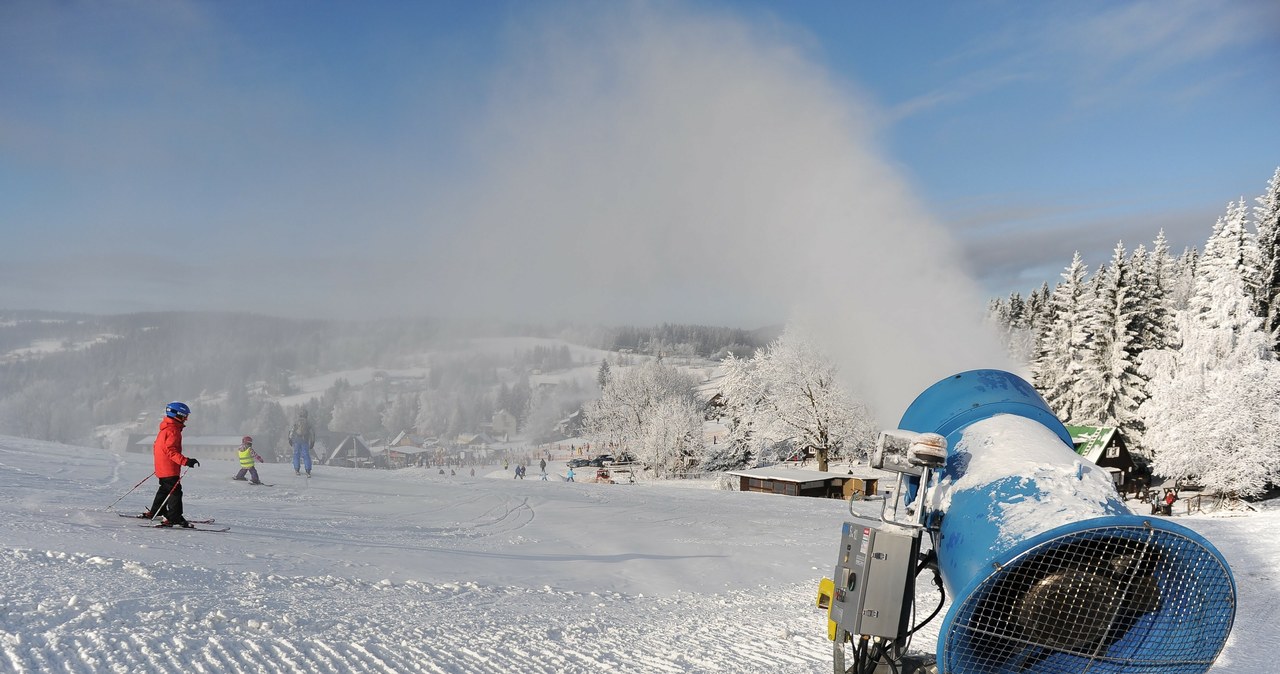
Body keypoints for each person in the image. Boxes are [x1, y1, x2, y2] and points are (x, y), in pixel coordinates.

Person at [144, 402, 198, 527]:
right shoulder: (173, 430)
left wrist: (162, 464)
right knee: (176, 492)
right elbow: (170, 450)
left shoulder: (165, 429)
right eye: (184, 416)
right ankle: (175, 518)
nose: (186, 419)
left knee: (164, 489)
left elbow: (158, 447)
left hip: (163, 467)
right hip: (169, 468)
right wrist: (186, 461)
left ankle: (157, 511)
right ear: (177, 415)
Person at [289, 409, 315, 477]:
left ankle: (297, 469)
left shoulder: (296, 421)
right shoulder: (308, 422)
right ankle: (308, 470)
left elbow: (292, 430)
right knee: (306, 455)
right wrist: (312, 441)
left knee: (296, 454)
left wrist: (290, 439)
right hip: (305, 440)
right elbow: (312, 433)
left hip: (297, 440)